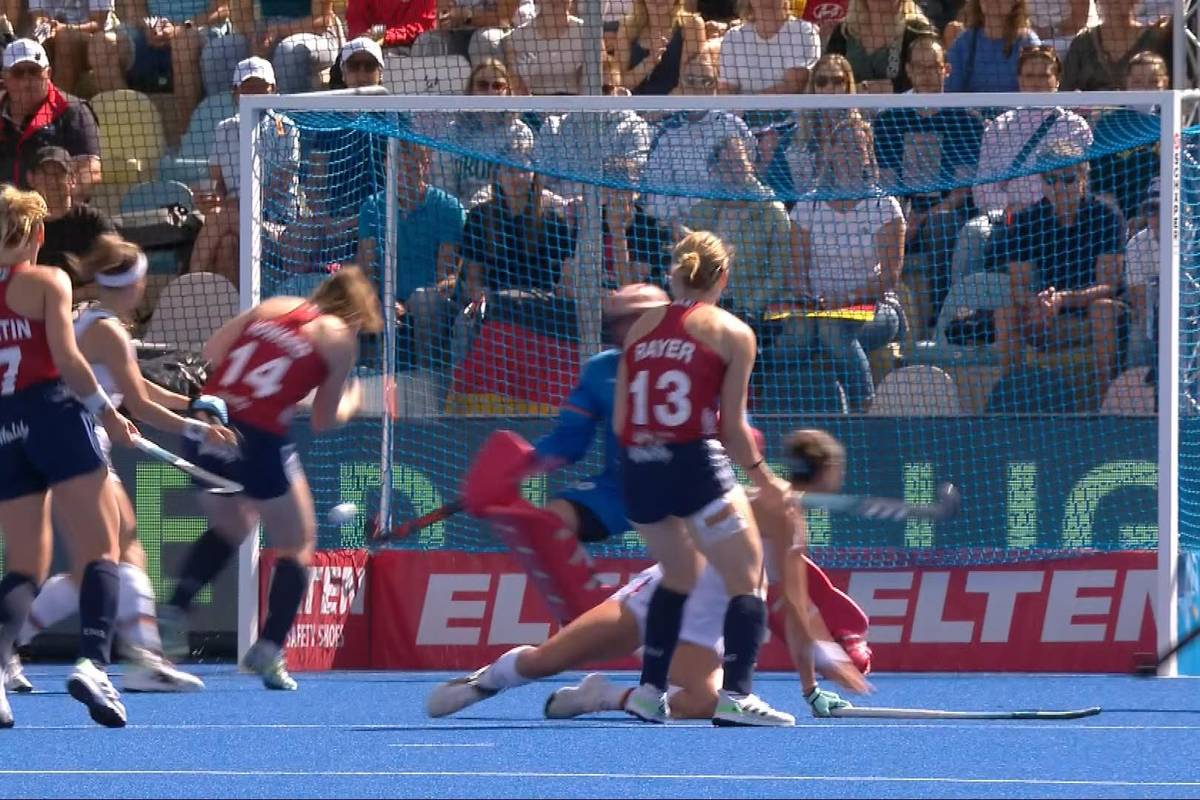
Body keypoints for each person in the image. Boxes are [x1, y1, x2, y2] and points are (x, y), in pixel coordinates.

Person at [426, 428, 866, 722]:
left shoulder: (778, 508)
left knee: (702, 702)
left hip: (706, 625)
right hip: (659, 597)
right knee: (546, 661)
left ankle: (601, 695)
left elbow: (792, 606)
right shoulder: (780, 511)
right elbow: (794, 606)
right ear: (826, 472)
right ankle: (485, 681)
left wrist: (812, 686)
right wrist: (825, 671)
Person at [612, 231, 864, 726]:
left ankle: (648, 691)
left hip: (638, 472)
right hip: (693, 465)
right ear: (723, 277)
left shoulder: (641, 327)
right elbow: (731, 429)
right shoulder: (732, 332)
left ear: (675, 274)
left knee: (679, 576)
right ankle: (738, 696)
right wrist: (764, 481)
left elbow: (622, 420)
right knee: (748, 576)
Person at [7, 237, 237, 694]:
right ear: (134, 283)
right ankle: (134, 659)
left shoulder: (93, 315)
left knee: (112, 558)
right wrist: (197, 431)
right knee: (110, 556)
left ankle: (131, 656)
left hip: (64, 437)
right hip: (79, 442)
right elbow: (138, 405)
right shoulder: (108, 331)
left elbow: (142, 391)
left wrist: (194, 406)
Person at [157, 267, 383, 691]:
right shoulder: (340, 338)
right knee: (299, 541)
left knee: (233, 525)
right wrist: (356, 398)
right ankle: (269, 647)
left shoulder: (277, 306)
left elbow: (213, 349)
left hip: (208, 423)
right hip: (256, 438)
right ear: (357, 314)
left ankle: (175, 610)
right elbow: (323, 419)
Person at [0, 185, 139, 728]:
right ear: (38, 234)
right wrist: (108, 414)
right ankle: (92, 662)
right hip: (53, 413)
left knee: (25, 564)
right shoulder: (47, 281)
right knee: (103, 546)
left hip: (5, 421)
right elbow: (69, 360)